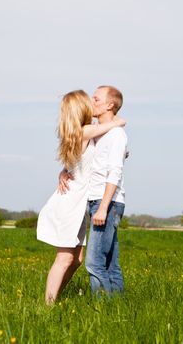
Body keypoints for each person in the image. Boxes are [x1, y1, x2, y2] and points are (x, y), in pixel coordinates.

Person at [37, 89, 126, 305]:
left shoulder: (82, 133)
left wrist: (63, 172)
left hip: (76, 203)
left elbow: (90, 160)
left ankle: (55, 297)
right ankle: (47, 305)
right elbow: (115, 125)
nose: (91, 103)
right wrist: (119, 120)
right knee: (65, 257)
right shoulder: (86, 130)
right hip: (70, 203)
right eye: (89, 101)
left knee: (76, 260)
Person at [59, 85, 128, 296]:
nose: (91, 102)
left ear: (110, 105)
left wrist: (103, 208)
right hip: (96, 201)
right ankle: (117, 306)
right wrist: (63, 172)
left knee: (93, 261)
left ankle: (102, 310)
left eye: (96, 99)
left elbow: (114, 173)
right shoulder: (99, 133)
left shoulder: (116, 134)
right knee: (109, 261)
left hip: (106, 202)